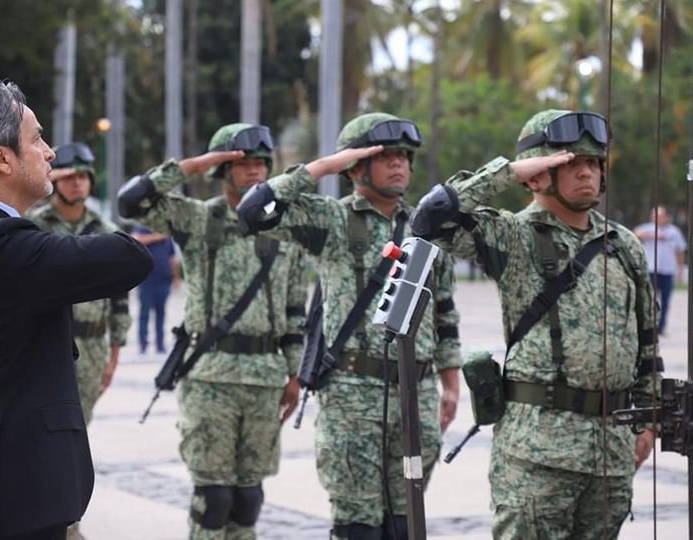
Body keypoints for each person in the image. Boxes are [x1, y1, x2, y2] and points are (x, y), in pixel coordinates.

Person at [0, 79, 152, 540]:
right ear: (2, 159)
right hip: (8, 502)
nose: (50, 152)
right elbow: (130, 257)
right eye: (37, 139)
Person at [433, 109, 661, 538]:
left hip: (610, 453)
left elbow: (646, 341)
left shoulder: (623, 245)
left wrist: (647, 421)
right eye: (570, 163)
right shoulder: (513, 237)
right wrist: (513, 171)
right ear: (538, 175)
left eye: (594, 163)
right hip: (538, 453)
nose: (587, 173)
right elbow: (432, 220)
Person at [236, 112, 462, 540]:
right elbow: (254, 212)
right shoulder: (332, 220)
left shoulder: (426, 227)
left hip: (416, 394)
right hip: (352, 395)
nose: (398, 164)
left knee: (405, 525)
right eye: (384, 156)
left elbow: (444, 310)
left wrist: (451, 384)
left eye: (404, 156)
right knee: (359, 528)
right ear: (356, 167)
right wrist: (326, 165)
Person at [118, 123, 306, 539]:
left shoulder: (285, 230)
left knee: (247, 499)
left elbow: (296, 312)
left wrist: (294, 373)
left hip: (263, 376)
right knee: (213, 500)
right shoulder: (197, 220)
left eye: (261, 164)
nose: (255, 173)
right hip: (210, 378)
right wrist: (202, 162)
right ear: (224, 172)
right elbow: (131, 203)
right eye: (243, 165)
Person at [30, 142, 131, 423]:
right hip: (42, 344)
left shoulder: (107, 233)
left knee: (77, 424)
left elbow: (119, 300)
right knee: (39, 425)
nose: (78, 184)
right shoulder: (33, 227)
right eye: (70, 177)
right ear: (55, 180)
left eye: (84, 177)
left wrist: (113, 358)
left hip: (92, 347)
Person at [633, 206, 686, 335]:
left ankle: (661, 327)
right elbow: (635, 233)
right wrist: (654, 235)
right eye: (654, 215)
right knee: (648, 300)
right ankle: (647, 326)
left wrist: (680, 269)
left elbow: (680, 250)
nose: (656, 218)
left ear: (666, 217)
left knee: (665, 301)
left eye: (659, 216)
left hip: (667, 271)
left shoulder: (674, 232)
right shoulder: (647, 228)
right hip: (651, 270)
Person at [130, 225, 180, 354]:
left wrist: (176, 278)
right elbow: (136, 240)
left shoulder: (167, 235)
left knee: (161, 314)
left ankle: (160, 344)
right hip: (146, 281)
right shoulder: (143, 228)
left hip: (163, 281)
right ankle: (143, 344)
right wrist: (157, 237)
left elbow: (172, 258)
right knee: (144, 314)